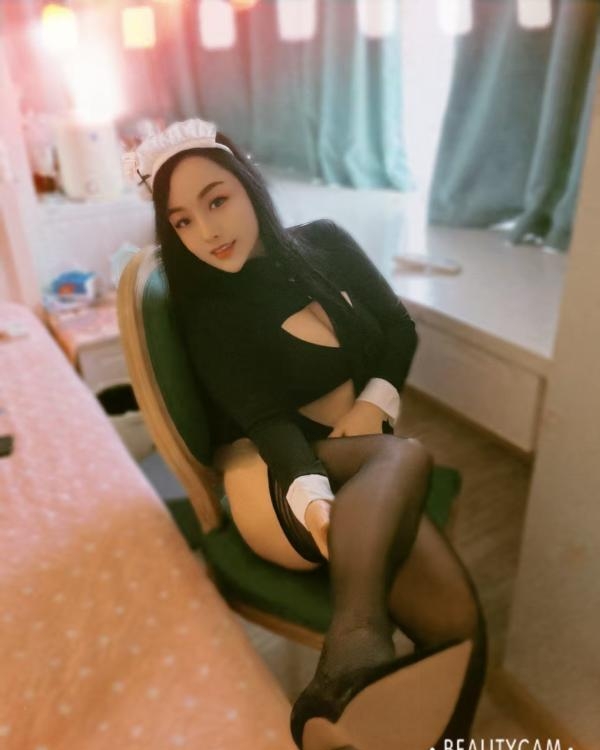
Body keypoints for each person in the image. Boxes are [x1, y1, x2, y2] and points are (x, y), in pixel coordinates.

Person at [124, 118, 487, 750]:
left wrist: (372, 404)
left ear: (248, 185)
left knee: (463, 629)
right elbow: (265, 420)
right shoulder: (205, 308)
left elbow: (397, 328)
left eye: (217, 200)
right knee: (404, 457)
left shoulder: (325, 241)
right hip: (275, 479)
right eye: (182, 221)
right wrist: (316, 502)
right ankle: (356, 641)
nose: (207, 231)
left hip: (363, 464)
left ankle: (365, 691)